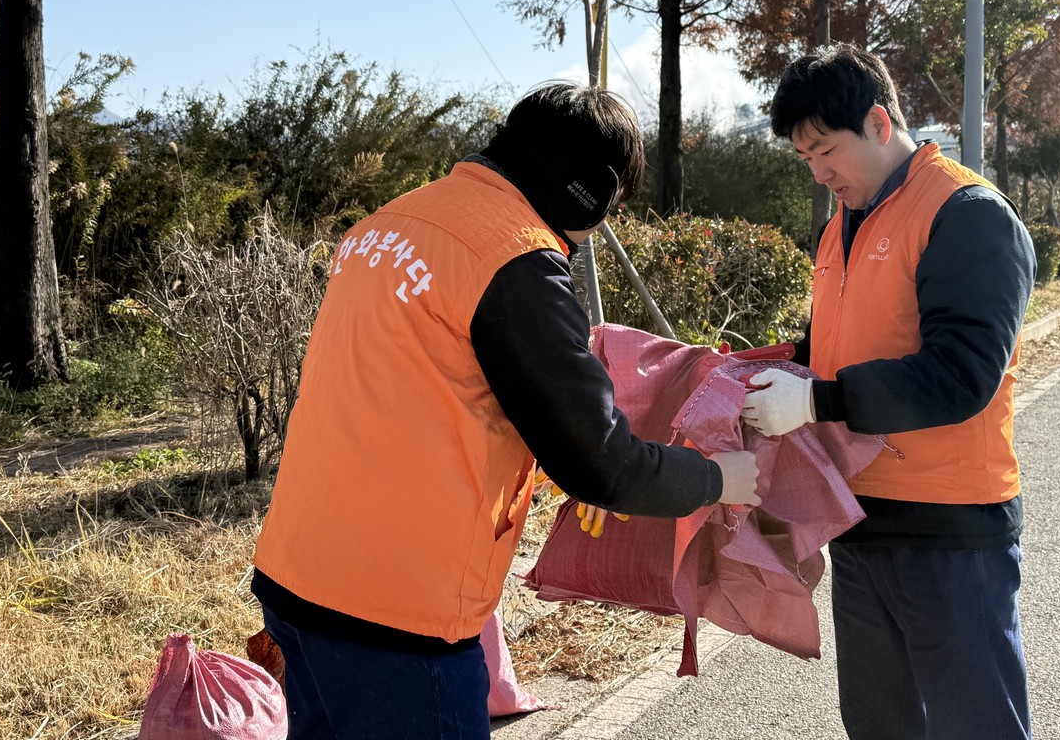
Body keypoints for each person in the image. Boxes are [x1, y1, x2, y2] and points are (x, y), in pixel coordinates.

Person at [252, 81, 761, 740]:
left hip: (296, 577)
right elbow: (601, 464)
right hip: (400, 621)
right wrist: (717, 478)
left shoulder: (390, 223)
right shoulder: (514, 259)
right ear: (593, 192)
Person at [739, 43, 1035, 740]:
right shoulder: (838, 227)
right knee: (880, 725)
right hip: (861, 522)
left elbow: (962, 375)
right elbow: (829, 350)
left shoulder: (966, 215)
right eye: (804, 159)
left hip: (950, 532)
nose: (818, 173)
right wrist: (765, 376)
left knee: (974, 727)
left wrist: (817, 402)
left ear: (878, 123)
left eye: (825, 151)